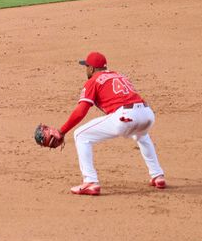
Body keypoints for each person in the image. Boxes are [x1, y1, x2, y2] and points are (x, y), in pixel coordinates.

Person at [47, 52, 165, 196]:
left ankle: (90, 181)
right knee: (142, 136)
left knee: (80, 135)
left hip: (125, 116)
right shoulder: (119, 75)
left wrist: (62, 131)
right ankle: (157, 175)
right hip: (147, 113)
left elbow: (80, 112)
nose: (86, 70)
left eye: (86, 66)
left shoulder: (93, 81)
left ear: (91, 68)